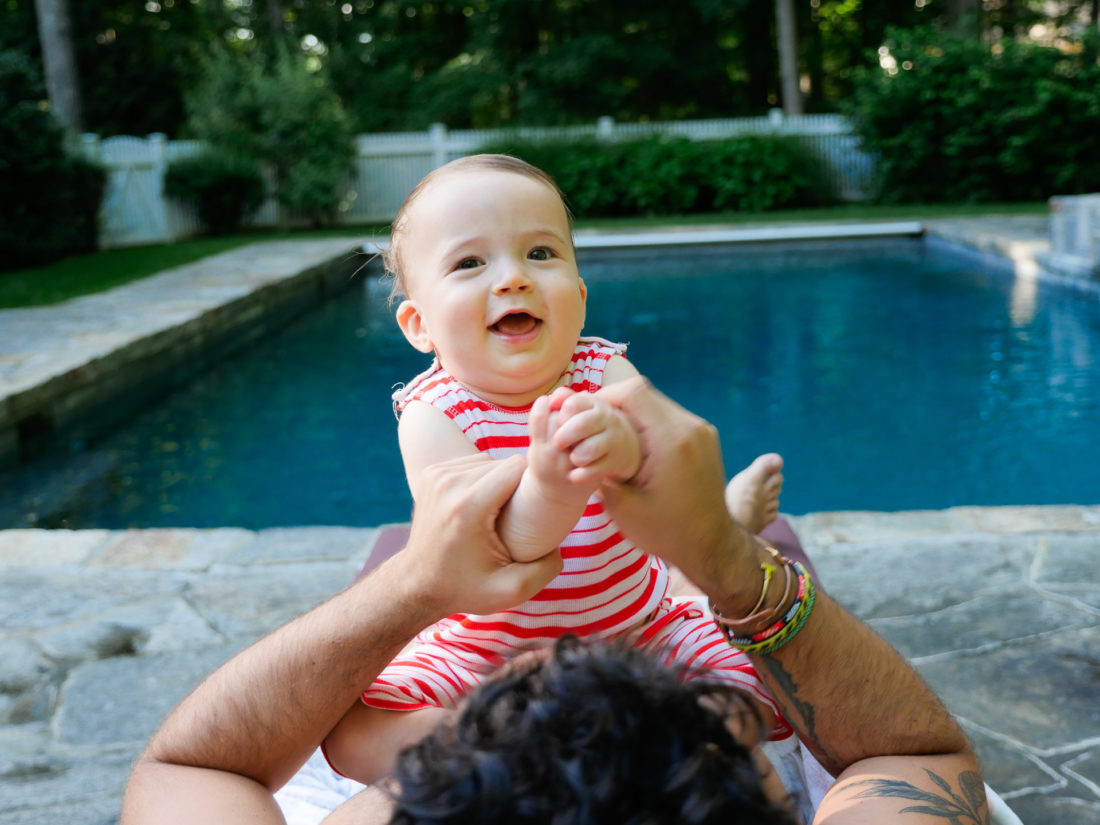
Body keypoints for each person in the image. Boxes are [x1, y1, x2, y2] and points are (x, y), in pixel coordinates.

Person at [121, 378, 990, 825]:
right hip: (679, 591)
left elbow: (193, 767)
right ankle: (723, 527)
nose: (557, 651)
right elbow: (917, 753)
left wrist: (418, 579)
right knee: (676, 600)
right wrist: (723, 555)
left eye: (478, 724)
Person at [322, 153, 789, 785]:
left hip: (636, 628)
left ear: (580, 296)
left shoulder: (603, 372)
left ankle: (725, 529)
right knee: (349, 733)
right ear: (418, 324)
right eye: (469, 264)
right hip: (483, 654)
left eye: (540, 254)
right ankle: (513, 735)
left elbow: (661, 468)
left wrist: (622, 447)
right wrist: (548, 481)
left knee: (760, 694)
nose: (513, 278)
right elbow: (501, 550)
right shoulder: (433, 416)